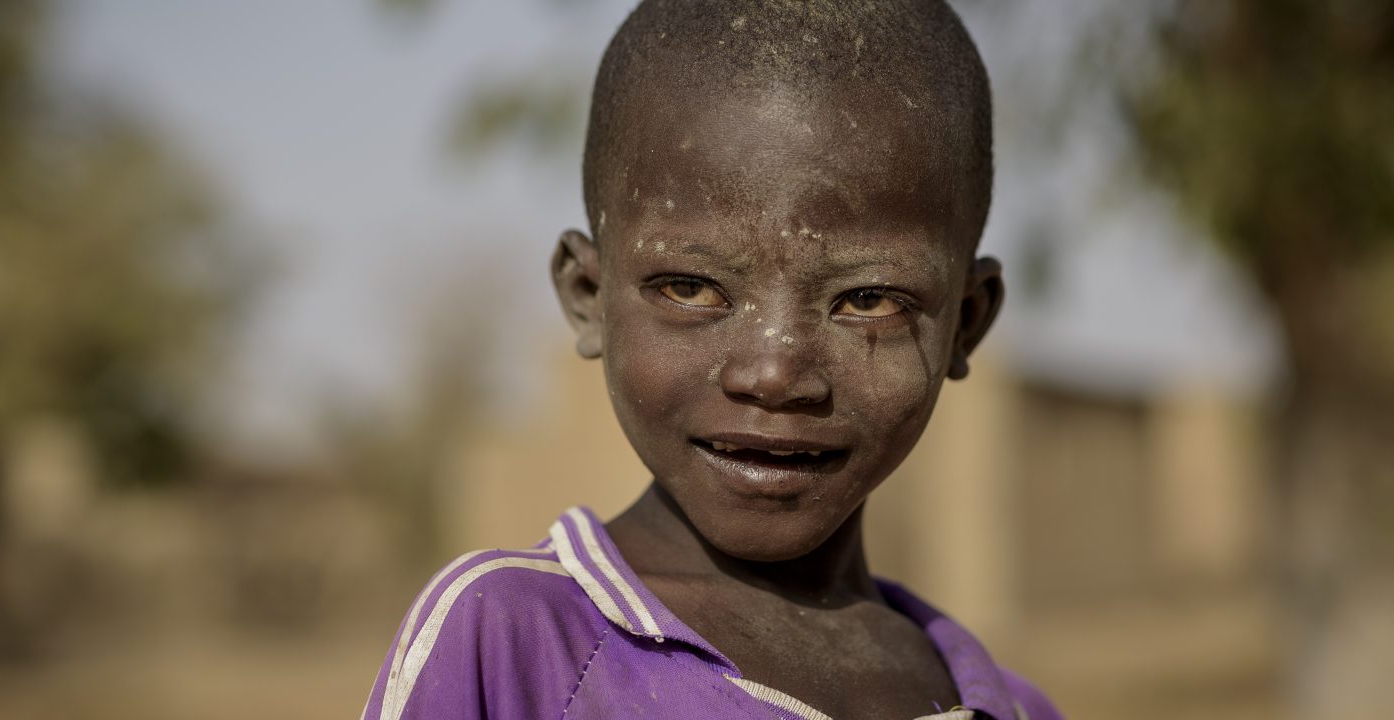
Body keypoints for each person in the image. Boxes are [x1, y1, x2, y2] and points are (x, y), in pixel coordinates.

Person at [362, 1, 1059, 717]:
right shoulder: (513, 644)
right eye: (690, 288)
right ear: (588, 296)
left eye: (869, 301)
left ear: (965, 323)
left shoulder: (1011, 706)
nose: (775, 374)